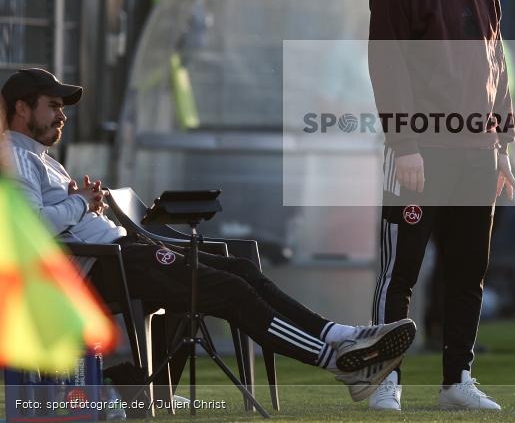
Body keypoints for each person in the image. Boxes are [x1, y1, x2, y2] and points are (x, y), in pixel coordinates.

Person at [2, 68, 416, 403]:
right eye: (53, 106)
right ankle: (340, 362)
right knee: (226, 290)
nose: (62, 115)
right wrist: (80, 204)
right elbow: (33, 226)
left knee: (238, 269)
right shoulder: (16, 156)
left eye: (62, 107)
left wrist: (84, 202)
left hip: (119, 254)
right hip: (104, 266)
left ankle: (338, 335)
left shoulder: (37, 157)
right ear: (21, 108)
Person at [366, 0, 515, 411]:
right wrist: (404, 144)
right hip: (419, 155)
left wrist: (502, 144)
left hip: (477, 156)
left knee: (468, 272)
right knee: (400, 272)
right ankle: (384, 378)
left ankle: (458, 381)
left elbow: (497, 71)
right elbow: (388, 68)